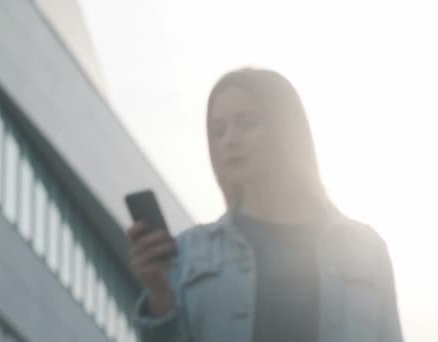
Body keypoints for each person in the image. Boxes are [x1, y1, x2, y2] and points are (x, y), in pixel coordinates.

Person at [127, 68, 404, 342]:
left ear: (286, 130)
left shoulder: (365, 249)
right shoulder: (188, 254)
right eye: (218, 131)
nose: (230, 140)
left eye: (247, 123)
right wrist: (159, 295)